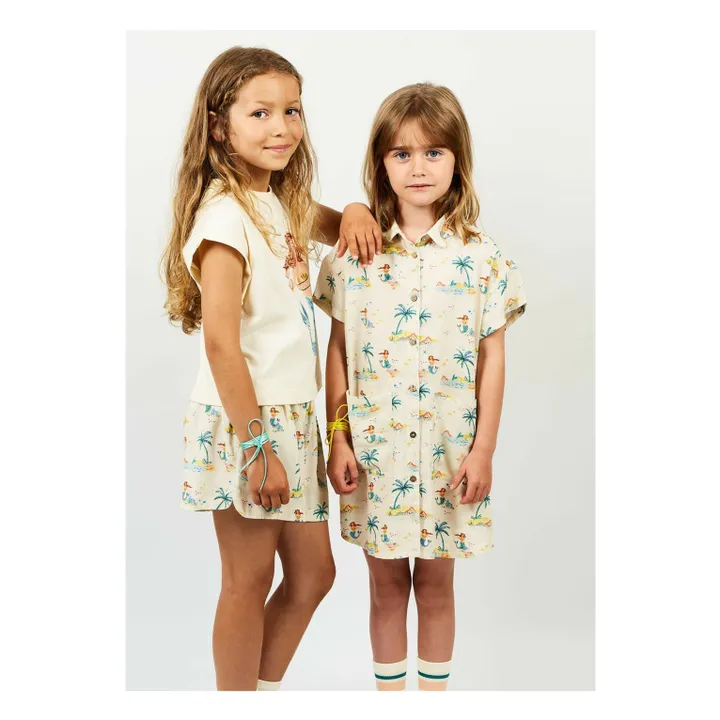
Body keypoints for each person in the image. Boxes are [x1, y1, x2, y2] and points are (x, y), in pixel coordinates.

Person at [162, 46, 380, 691]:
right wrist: (258, 447)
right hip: (248, 421)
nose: (281, 127)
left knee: (313, 575)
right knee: (248, 578)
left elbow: (337, 226)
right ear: (219, 126)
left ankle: (260, 695)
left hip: (293, 415)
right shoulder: (224, 219)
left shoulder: (276, 202)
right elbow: (221, 345)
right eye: (260, 113)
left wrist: (358, 209)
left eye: (292, 111)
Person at [314, 83, 527, 691]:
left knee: (436, 587)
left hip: (448, 455)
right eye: (402, 154)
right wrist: (338, 438)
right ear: (381, 162)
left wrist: (483, 450)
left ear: (458, 159)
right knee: (384, 588)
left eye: (434, 152)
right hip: (374, 454)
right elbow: (338, 352)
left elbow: (492, 359)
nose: (418, 167)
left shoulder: (483, 258)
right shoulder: (351, 256)